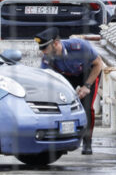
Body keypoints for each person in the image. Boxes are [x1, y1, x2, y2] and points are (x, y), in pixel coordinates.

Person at [35, 27, 104, 155]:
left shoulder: (79, 47)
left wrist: (87, 86)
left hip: (88, 73)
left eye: (45, 48)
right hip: (66, 76)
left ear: (55, 43)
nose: (43, 52)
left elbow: (98, 64)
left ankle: (87, 142)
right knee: (62, 107)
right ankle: (63, 141)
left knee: (87, 107)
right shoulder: (47, 57)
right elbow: (45, 77)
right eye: (42, 49)